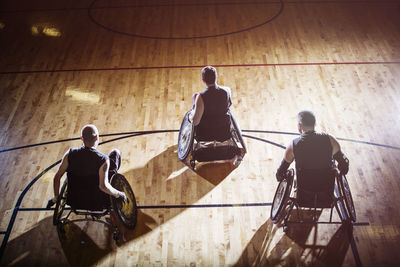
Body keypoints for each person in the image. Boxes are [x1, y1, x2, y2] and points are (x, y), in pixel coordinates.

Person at [47, 124, 126, 208]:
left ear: (81, 138)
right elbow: (103, 187)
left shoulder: (69, 154)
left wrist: (56, 198)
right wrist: (119, 194)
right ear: (96, 137)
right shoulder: (103, 159)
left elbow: (57, 177)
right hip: (96, 203)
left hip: (73, 201)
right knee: (115, 153)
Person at [276, 110, 349, 182]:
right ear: (315, 124)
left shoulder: (293, 145)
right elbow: (345, 164)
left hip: (303, 192)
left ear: (299, 125)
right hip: (327, 191)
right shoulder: (331, 140)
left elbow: (279, 174)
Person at [189, 66, 242, 164]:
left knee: (194, 104)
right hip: (223, 132)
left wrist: (192, 112)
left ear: (203, 80)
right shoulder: (227, 91)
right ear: (216, 77)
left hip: (205, 133)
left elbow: (195, 122)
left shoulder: (201, 98)